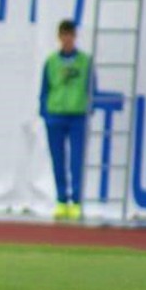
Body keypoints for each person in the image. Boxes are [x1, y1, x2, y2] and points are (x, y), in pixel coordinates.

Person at [40, 19, 92, 220]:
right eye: (64, 35)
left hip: (77, 115)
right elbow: (44, 89)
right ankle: (62, 199)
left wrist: (87, 108)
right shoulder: (52, 61)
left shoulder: (85, 61)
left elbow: (90, 88)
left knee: (76, 159)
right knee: (58, 159)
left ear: (74, 36)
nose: (67, 39)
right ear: (59, 37)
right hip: (56, 115)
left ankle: (76, 201)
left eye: (70, 35)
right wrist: (45, 113)